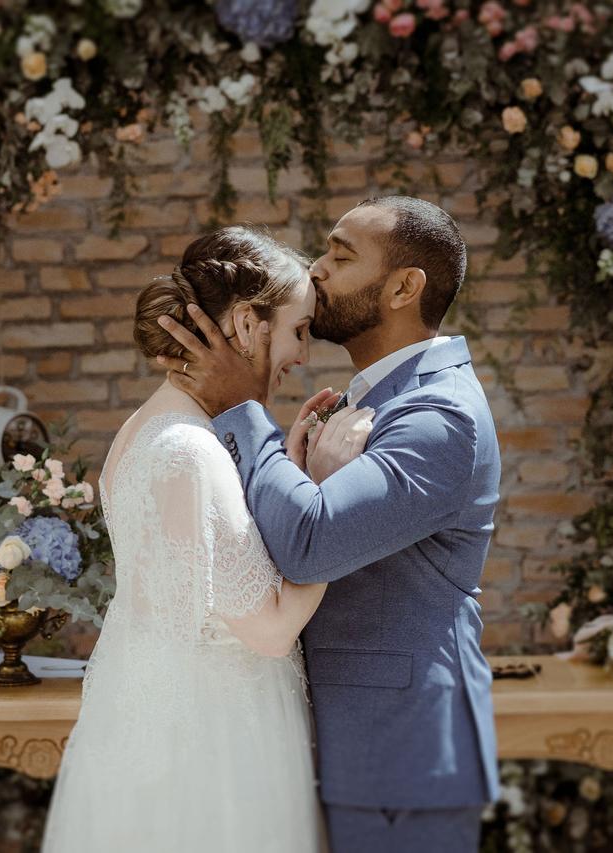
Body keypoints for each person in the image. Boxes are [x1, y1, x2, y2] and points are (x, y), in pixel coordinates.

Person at [156, 196, 502, 852]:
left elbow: (311, 542)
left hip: (400, 760)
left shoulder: (437, 417)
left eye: (341, 256)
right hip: (359, 752)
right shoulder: (377, 398)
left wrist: (240, 404)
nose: (315, 269)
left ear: (405, 286)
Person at [42, 226, 370, 853]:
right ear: (248, 325)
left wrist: (290, 475)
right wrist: (329, 500)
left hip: (154, 720)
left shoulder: (147, 430)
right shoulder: (190, 453)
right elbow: (270, 631)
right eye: (299, 330)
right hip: (214, 743)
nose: (303, 355)